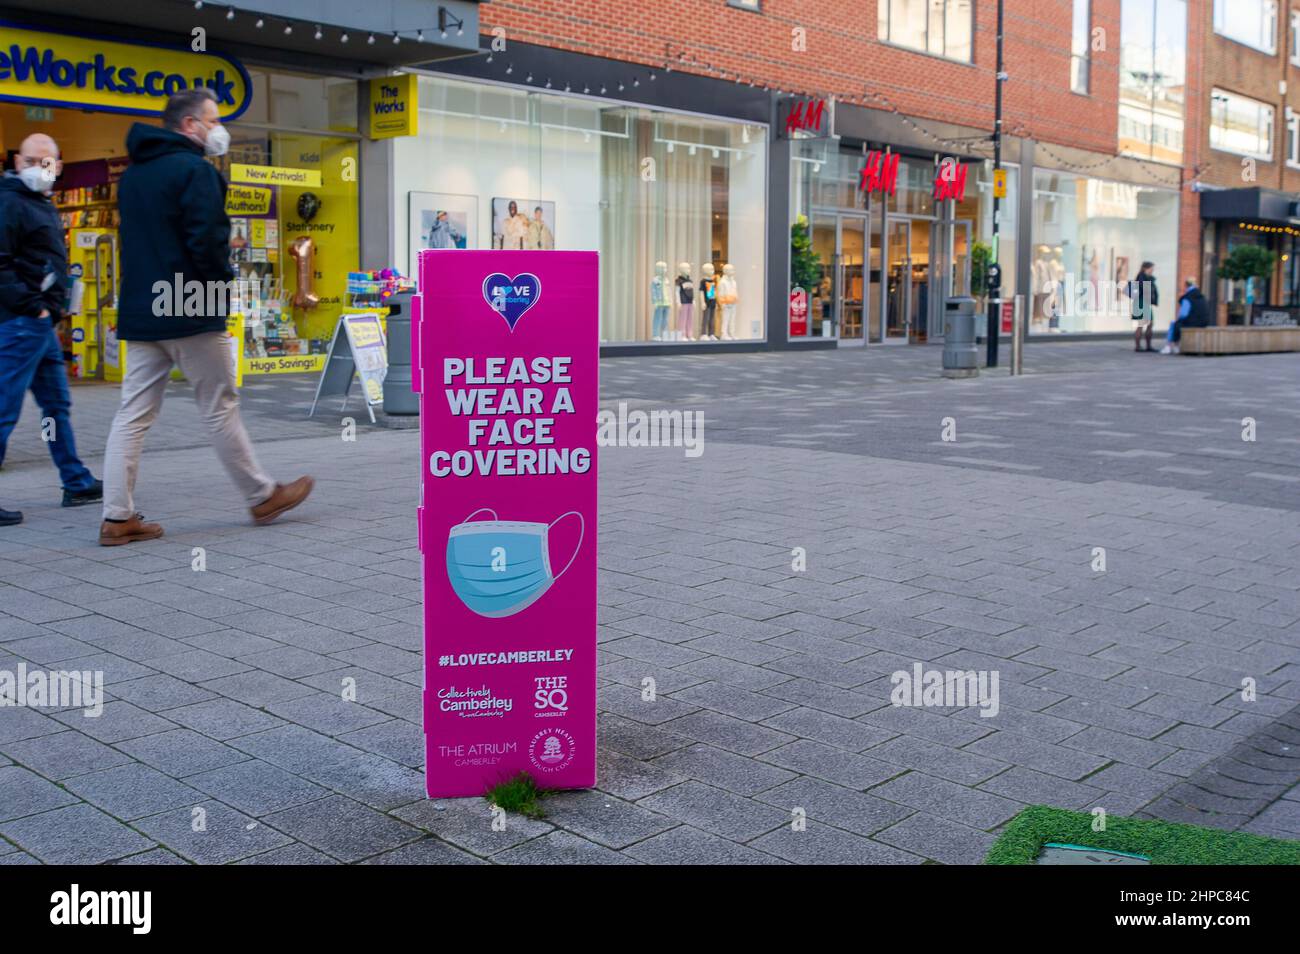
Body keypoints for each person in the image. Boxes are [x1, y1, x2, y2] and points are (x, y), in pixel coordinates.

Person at [102, 88, 312, 546]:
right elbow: (206, 242)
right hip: (191, 304)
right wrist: (222, 281)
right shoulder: (195, 171)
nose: (220, 130)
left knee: (132, 413)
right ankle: (261, 496)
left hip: (143, 307)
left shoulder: (134, 175)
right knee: (220, 406)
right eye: (213, 121)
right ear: (190, 125)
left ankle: (117, 517)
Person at [0, 133, 103, 513]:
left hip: (39, 327)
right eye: (30, 161)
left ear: (57, 166)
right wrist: (33, 306)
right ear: (17, 163)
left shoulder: (37, 201)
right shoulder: (10, 201)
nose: (38, 169)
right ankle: (74, 479)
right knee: (4, 407)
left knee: (55, 406)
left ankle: (75, 480)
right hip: (21, 322)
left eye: (46, 162)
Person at [1162, 276, 1209, 355]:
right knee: (1178, 323)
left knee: (1174, 324)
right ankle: (1175, 346)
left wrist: (1178, 320)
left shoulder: (1187, 297)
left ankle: (1169, 346)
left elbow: (1183, 314)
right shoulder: (1201, 296)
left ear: (1186, 286)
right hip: (1204, 322)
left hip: (1193, 323)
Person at [1129, 261, 1158, 351]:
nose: (1153, 270)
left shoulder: (1147, 277)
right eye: (1151, 268)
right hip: (1141, 302)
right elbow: (1145, 290)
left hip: (1145, 302)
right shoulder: (1142, 277)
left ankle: (1148, 346)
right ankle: (1138, 347)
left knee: (1150, 324)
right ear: (1146, 268)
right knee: (1141, 324)